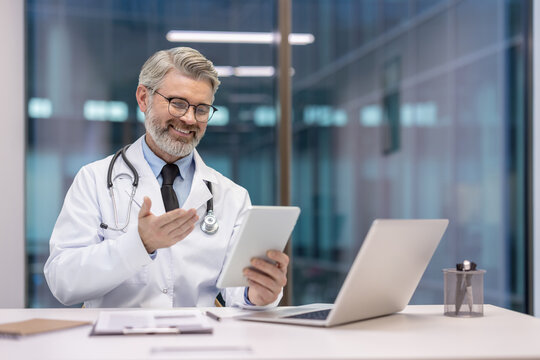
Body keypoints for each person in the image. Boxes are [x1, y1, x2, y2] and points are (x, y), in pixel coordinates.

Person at [44, 47, 289, 308]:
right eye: (178, 103)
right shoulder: (94, 180)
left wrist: (258, 295)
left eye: (202, 109)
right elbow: (63, 280)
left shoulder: (232, 197)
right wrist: (140, 243)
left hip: (201, 344)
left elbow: (238, 290)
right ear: (143, 98)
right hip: (118, 345)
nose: (189, 119)